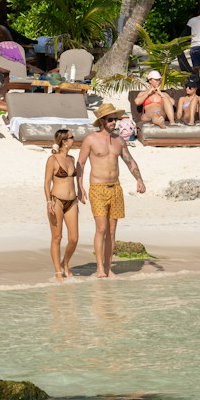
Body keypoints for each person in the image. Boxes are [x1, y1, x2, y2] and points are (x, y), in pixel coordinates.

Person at [76, 102, 146, 279]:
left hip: (115, 188)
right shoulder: (90, 140)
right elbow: (81, 164)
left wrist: (139, 179)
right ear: (101, 121)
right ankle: (100, 268)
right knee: (101, 228)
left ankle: (108, 267)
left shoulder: (119, 141)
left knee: (112, 231)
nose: (113, 122)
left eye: (115, 119)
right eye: (110, 120)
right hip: (97, 188)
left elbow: (129, 161)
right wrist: (80, 187)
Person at [44, 128, 79, 280]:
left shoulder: (72, 159)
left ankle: (65, 262)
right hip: (56, 200)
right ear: (64, 141)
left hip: (72, 202)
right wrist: (48, 201)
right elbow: (46, 183)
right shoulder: (52, 159)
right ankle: (58, 271)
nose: (74, 140)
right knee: (57, 237)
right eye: (71, 137)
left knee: (74, 238)